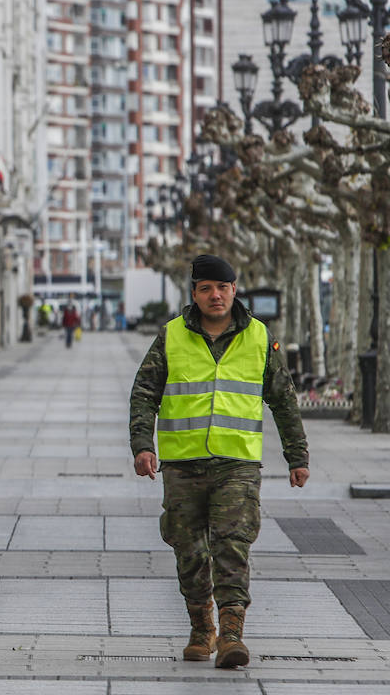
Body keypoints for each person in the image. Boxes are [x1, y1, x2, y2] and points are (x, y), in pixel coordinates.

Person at [130, 254, 309, 669]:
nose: (216, 295)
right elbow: (144, 392)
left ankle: (231, 635)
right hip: (182, 464)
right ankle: (201, 628)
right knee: (188, 549)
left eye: (223, 288)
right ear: (194, 293)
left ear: (234, 291)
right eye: (207, 288)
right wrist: (143, 444)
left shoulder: (260, 338)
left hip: (237, 464)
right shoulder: (171, 336)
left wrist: (296, 456)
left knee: (232, 544)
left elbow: (283, 399)